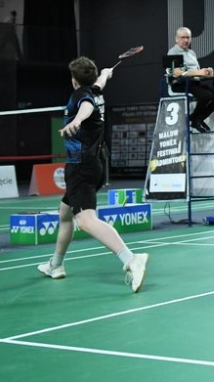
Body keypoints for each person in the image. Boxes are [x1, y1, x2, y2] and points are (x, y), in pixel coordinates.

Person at [37, 57, 149, 292]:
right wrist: (105, 74)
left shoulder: (81, 95)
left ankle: (131, 259)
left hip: (80, 166)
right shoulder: (95, 90)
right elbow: (99, 84)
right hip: (95, 164)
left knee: (86, 220)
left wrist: (77, 120)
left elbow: (86, 106)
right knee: (65, 213)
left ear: (74, 81)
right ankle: (56, 265)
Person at [168, 26, 214, 133]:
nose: (186, 40)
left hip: (194, 83)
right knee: (206, 95)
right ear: (176, 39)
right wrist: (198, 72)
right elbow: (176, 72)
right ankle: (194, 119)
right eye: (183, 37)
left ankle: (197, 118)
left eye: (188, 37)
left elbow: (197, 72)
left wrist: (206, 72)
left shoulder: (191, 53)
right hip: (180, 84)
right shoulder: (172, 52)